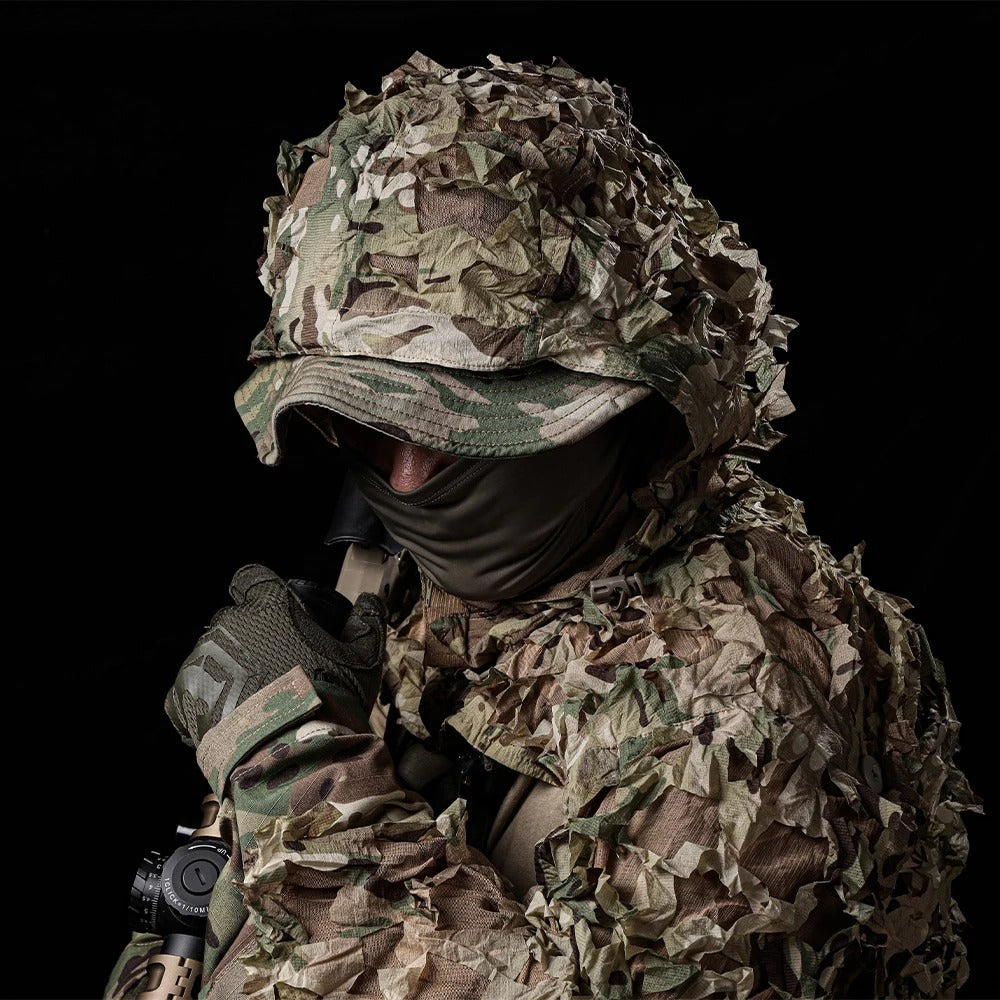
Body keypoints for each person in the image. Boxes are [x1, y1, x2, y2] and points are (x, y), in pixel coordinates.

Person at [105, 51, 978, 999]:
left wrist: (293, 762)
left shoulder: (751, 682)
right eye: (363, 428)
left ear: (626, 412)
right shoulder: (412, 574)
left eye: (463, 433)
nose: (407, 481)